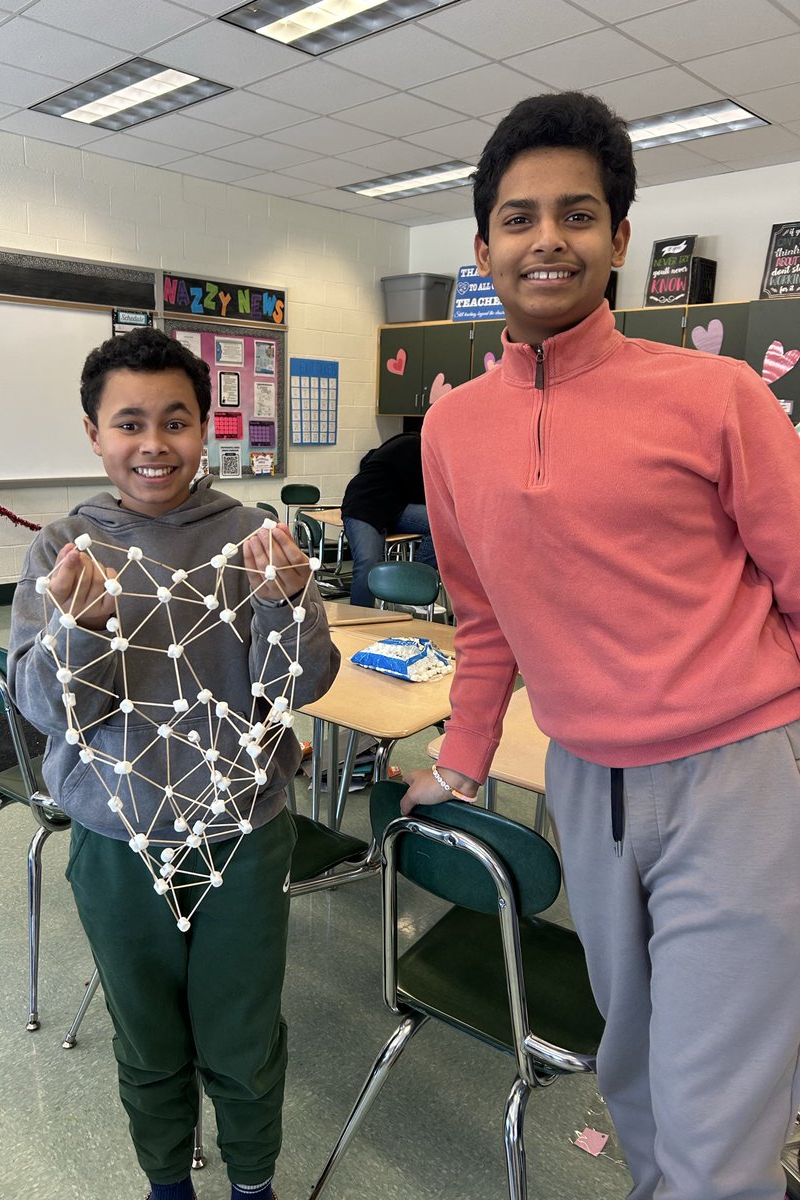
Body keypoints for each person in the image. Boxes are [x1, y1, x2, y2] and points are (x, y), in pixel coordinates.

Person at [403, 91, 800, 1200]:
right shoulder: (451, 427)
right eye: (520, 218)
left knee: (720, 1113)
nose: (549, 240)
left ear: (621, 238)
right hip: (583, 780)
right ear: (483, 248)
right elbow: (483, 621)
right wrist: (461, 760)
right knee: (630, 1069)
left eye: (579, 215)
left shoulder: (717, 396)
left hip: (736, 777)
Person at [7, 327, 339, 1200]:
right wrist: (79, 626)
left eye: (176, 421)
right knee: (147, 1032)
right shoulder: (62, 549)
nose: (154, 445)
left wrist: (288, 603)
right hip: (118, 834)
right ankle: (166, 1181)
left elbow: (300, 683)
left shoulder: (251, 535)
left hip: (240, 830)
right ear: (93, 433)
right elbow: (44, 709)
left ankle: (254, 1182)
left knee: (242, 1028)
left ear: (205, 428)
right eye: (129, 424)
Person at [340, 431, 438, 607]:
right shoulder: (412, 445)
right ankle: (361, 619)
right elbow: (423, 492)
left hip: (395, 508)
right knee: (368, 563)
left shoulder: (408, 441)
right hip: (364, 507)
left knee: (441, 524)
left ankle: (411, 586)